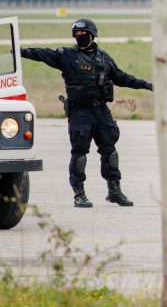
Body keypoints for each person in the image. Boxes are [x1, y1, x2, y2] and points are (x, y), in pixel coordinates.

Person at [20, 19, 153, 208]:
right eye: (77, 34)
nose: (80, 37)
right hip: (80, 111)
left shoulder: (104, 58)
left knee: (110, 151)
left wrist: (145, 84)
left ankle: (114, 191)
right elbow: (42, 54)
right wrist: (22, 52)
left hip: (101, 110)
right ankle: (79, 194)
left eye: (83, 34)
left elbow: (121, 77)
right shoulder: (67, 56)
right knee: (79, 153)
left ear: (92, 35)